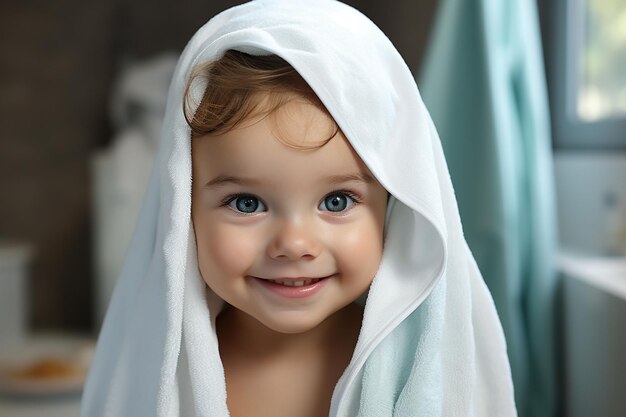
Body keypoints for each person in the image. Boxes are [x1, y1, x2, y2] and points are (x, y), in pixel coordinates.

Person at [81, 1, 517, 417]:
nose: (294, 244)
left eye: (336, 201)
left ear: (394, 209)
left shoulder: (414, 374)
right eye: (246, 203)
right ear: (184, 209)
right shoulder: (164, 369)